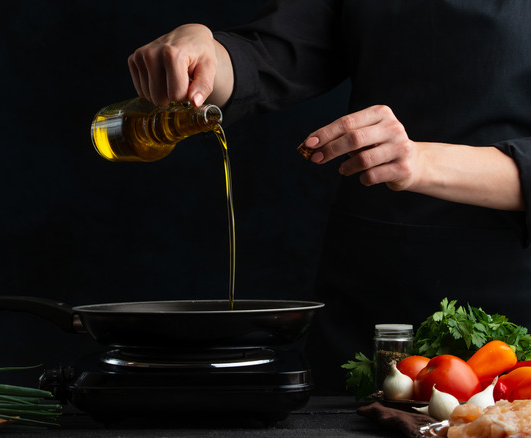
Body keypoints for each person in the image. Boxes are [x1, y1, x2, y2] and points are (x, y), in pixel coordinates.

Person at [126, 0, 531, 393]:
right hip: (372, 298)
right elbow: (274, 54)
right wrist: (206, 51)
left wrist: (419, 161)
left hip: (507, 304)